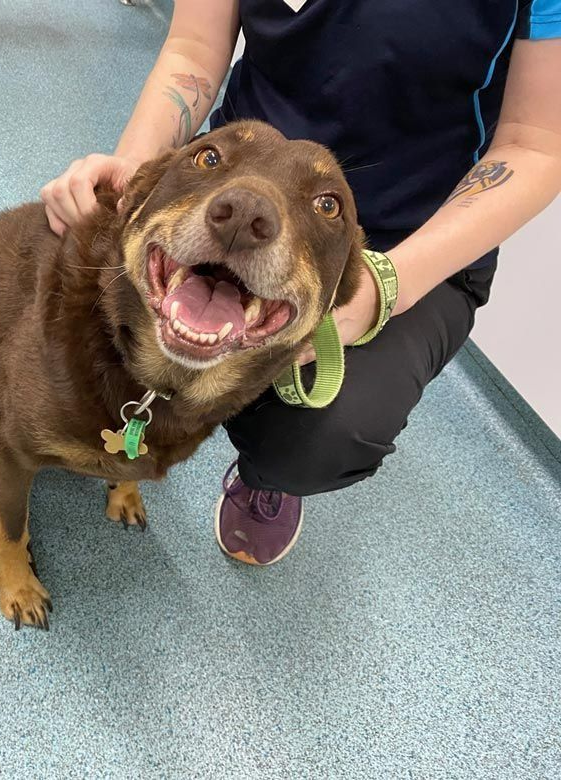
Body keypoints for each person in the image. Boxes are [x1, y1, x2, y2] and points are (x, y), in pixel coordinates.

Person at [42, 1, 561, 565]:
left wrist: (383, 288)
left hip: (410, 237)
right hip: (236, 182)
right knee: (103, 292)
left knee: (320, 434)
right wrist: (135, 174)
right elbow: (193, 48)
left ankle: (266, 475)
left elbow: (535, 144)